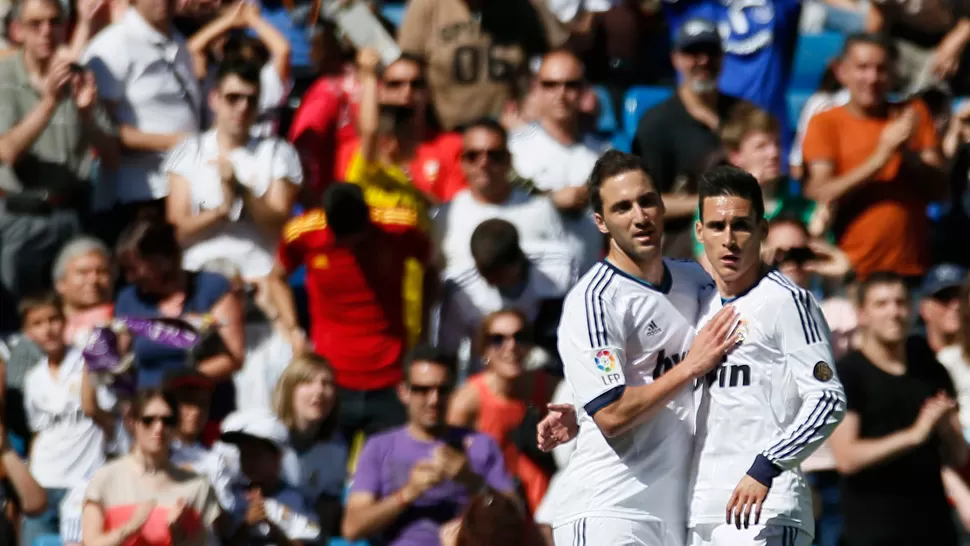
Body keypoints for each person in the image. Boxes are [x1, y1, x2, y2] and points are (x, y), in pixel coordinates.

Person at [544, 150, 738, 546]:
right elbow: (613, 413)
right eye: (622, 207)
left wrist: (583, 410)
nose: (640, 216)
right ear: (600, 222)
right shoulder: (596, 301)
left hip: (674, 513)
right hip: (610, 511)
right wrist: (689, 367)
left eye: (647, 200)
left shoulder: (695, 280)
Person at [688, 166, 846, 546]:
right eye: (716, 226)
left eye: (741, 226)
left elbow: (828, 398)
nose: (729, 240)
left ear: (762, 231)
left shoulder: (788, 302)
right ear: (699, 233)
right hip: (702, 510)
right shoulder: (696, 304)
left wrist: (767, 465)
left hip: (767, 510)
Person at [829, 272, 967, 546]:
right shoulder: (849, 374)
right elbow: (846, 458)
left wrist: (945, 427)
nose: (894, 312)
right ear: (862, 314)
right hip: (873, 533)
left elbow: (958, 455)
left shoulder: (930, 368)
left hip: (935, 531)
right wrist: (914, 435)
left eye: (901, 302)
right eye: (881, 304)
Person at [801, 32, 946, 282]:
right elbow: (820, 193)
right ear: (842, 71)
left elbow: (940, 191)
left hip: (912, 272)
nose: (872, 78)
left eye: (881, 69)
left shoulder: (913, 114)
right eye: (862, 68)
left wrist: (908, 156)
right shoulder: (825, 123)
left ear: (893, 74)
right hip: (851, 272)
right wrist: (882, 156)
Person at [0, 0, 118, 303]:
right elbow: (7, 151)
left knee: (85, 300)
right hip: (19, 215)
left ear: (66, 27)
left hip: (72, 211)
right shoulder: (4, 77)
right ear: (17, 30)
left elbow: (112, 156)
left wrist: (88, 116)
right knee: (21, 311)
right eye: (35, 24)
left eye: (54, 22)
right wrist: (50, 102)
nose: (46, 32)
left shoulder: (80, 75)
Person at [341, 344, 516, 546]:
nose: (434, 400)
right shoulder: (379, 447)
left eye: (442, 390)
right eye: (422, 390)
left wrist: (473, 482)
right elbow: (352, 528)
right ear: (403, 392)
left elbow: (515, 517)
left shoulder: (481, 444)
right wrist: (407, 493)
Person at [164, 58, 303, 281]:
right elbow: (177, 229)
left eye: (251, 99)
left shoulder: (278, 152)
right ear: (214, 99)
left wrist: (241, 191)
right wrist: (221, 211)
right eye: (233, 98)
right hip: (198, 273)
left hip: (258, 275)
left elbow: (278, 223)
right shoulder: (188, 152)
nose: (243, 107)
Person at [632, 19, 747, 259]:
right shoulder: (657, 124)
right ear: (676, 59)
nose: (703, 61)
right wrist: (711, 204)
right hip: (682, 251)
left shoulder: (744, 115)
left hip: (744, 243)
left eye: (710, 52)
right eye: (693, 53)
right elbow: (646, 202)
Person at [80, 389, 231, 546]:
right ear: (132, 422)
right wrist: (129, 529)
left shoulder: (196, 486)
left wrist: (178, 539)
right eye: (148, 420)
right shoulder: (106, 478)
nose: (158, 428)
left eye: (167, 421)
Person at [448, 308, 557, 513]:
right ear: (484, 351)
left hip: (548, 508)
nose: (511, 347)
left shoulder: (551, 389)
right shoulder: (466, 402)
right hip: (491, 510)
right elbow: (451, 463)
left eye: (520, 337)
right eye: (498, 339)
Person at [114, 217, 245, 388]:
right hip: (149, 406)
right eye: (125, 270)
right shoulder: (129, 299)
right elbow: (119, 363)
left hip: (204, 399)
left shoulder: (213, 288)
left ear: (162, 259)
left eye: (134, 268)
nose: (129, 278)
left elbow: (234, 358)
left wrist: (177, 383)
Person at [20, 292, 107, 546]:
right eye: (37, 323)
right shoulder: (33, 379)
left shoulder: (88, 362)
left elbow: (107, 415)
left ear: (65, 321)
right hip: (44, 481)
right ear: (28, 332)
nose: (47, 329)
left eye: (53, 319)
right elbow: (38, 430)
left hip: (84, 481)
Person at [220, 408, 322, 545]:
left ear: (277, 456)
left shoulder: (295, 500)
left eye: (255, 453)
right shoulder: (232, 497)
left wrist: (273, 529)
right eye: (243, 453)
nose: (248, 460)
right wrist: (246, 524)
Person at [274, 353, 347, 541]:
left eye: (327, 383)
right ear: (289, 390)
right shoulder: (265, 437)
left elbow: (326, 517)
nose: (319, 391)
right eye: (307, 382)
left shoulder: (336, 450)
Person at [51, 236, 114, 346]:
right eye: (83, 272)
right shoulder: (44, 325)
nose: (93, 280)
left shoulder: (125, 318)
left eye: (102, 272)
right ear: (60, 283)